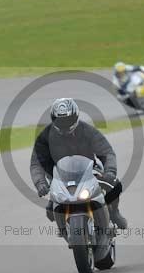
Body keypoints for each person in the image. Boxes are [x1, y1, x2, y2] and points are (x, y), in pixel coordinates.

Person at [30, 98, 128, 229]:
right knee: (51, 212)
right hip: (59, 177)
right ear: (53, 119)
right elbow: (36, 163)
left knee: (115, 185)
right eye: (60, 120)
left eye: (68, 120)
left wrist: (110, 171)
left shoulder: (87, 130)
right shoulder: (45, 137)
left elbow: (107, 152)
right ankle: (65, 229)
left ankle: (114, 213)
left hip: (89, 172)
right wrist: (40, 183)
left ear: (76, 117)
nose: (64, 124)